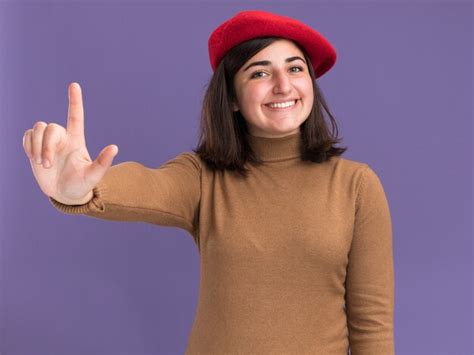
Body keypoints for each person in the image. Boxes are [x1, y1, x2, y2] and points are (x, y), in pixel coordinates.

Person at [22, 9, 395, 355]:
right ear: (231, 97)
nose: (283, 85)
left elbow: (372, 324)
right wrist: (81, 190)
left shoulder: (356, 186)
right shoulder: (203, 176)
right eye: (260, 72)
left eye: (295, 69)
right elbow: (151, 186)